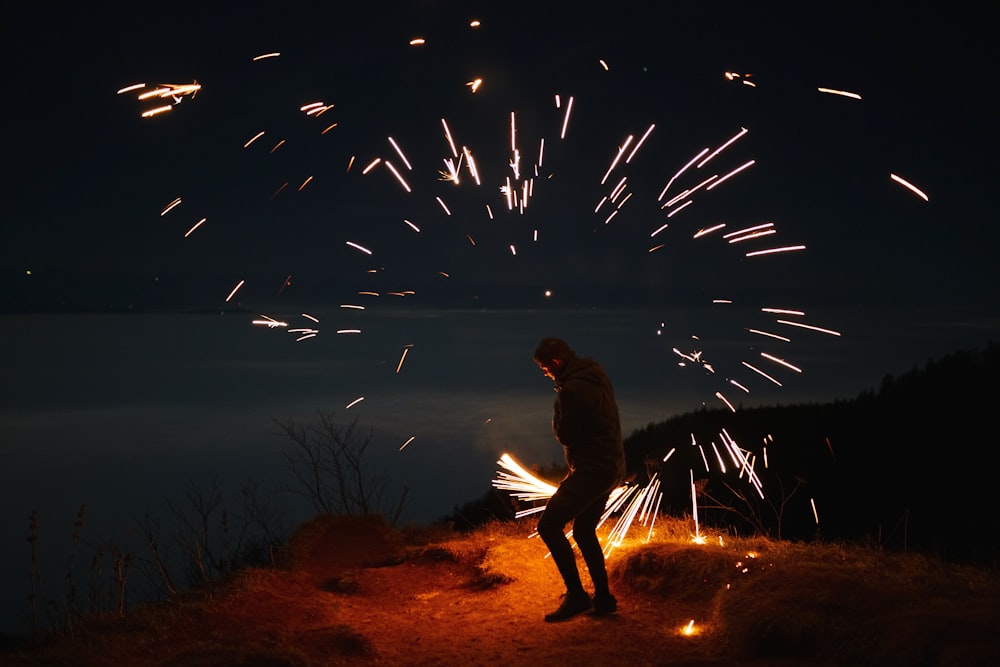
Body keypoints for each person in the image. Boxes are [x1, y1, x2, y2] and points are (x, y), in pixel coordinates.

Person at [532, 337, 626, 622]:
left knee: (548, 526)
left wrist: (558, 411)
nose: (544, 373)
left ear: (556, 362)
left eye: (545, 368)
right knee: (584, 530)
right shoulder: (594, 375)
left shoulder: (572, 390)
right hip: (611, 466)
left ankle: (576, 596)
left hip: (593, 470)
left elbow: (566, 435)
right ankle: (604, 598)